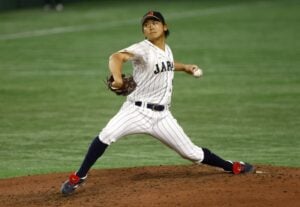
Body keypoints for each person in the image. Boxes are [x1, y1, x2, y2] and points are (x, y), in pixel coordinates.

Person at [61, 11, 255, 195]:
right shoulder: (142, 49)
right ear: (143, 31)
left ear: (164, 27)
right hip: (135, 111)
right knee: (106, 135)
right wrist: (117, 78)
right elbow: (116, 57)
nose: (150, 26)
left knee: (192, 153)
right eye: (146, 24)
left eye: (155, 23)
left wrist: (185, 67)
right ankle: (79, 176)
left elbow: (168, 64)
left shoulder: (166, 49)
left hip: (162, 117)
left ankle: (232, 166)